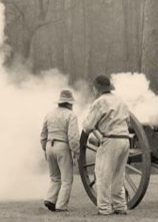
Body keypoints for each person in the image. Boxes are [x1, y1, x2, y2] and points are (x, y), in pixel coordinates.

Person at [82, 75, 131, 215]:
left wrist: (90, 127)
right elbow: (128, 121)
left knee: (103, 174)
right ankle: (120, 206)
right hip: (125, 139)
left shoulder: (100, 102)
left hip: (111, 139)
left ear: (97, 88)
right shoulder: (120, 100)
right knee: (118, 175)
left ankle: (104, 208)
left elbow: (88, 126)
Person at [40, 90, 80, 212]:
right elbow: (73, 137)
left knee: (54, 177)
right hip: (62, 146)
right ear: (69, 104)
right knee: (67, 179)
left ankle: (50, 199)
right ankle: (61, 206)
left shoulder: (49, 114)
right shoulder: (71, 115)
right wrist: (76, 152)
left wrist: (45, 149)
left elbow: (43, 134)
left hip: (49, 145)